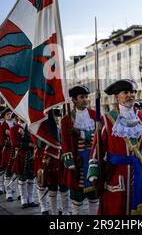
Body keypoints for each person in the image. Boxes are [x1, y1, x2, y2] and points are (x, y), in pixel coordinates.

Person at [87, 79, 142, 215]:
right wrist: (94, 171)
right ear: (117, 97)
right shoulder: (107, 119)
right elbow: (97, 147)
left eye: (133, 92)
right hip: (117, 174)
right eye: (126, 92)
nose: (131, 95)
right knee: (117, 209)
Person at [61, 85, 99, 215]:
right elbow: (65, 141)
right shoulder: (66, 119)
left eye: (86, 97)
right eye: (82, 97)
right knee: (77, 196)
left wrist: (82, 134)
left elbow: (97, 137)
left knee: (94, 195)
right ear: (74, 99)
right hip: (77, 162)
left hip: (92, 159)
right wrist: (68, 159)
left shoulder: (94, 114)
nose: (85, 99)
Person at [11, 113, 39, 209]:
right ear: (17, 116)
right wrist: (28, 145)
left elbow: (35, 140)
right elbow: (14, 143)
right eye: (20, 114)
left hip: (31, 156)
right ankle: (23, 200)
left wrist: (24, 135)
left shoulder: (31, 127)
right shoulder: (13, 129)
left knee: (31, 178)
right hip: (21, 156)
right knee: (22, 179)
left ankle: (31, 199)